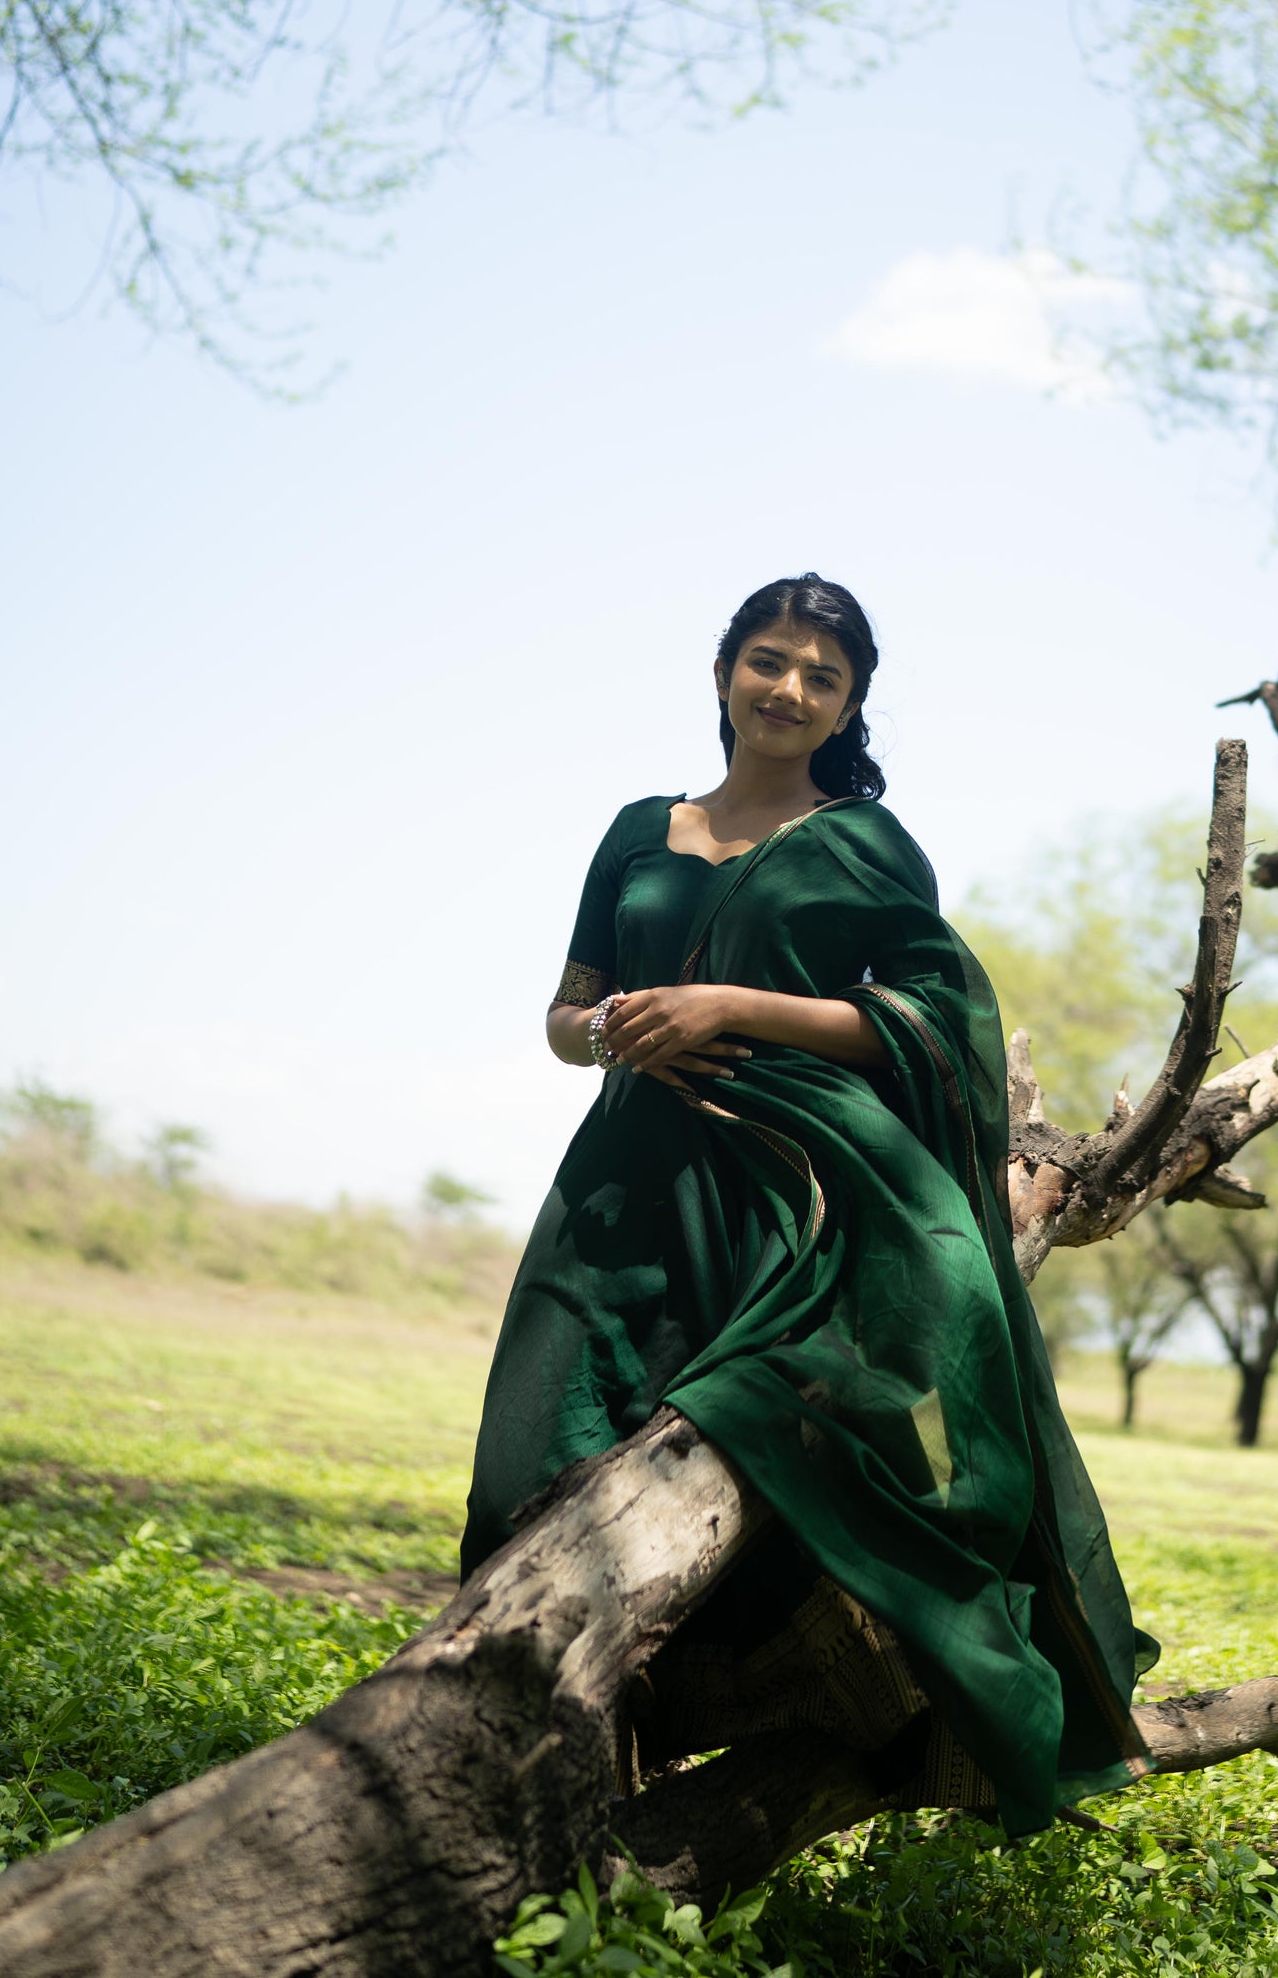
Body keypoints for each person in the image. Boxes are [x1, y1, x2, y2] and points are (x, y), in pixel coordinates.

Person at [460, 572, 1155, 1836]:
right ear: (724, 669)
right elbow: (564, 1014)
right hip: (619, 1190)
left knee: (748, 1461)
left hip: (790, 1194)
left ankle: (824, 1739)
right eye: (767, 660)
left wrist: (729, 1007)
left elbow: (931, 1020)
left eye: (820, 676)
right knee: (533, 1458)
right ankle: (537, 1782)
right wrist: (614, 1030)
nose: (787, 689)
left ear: (847, 708)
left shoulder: (865, 845)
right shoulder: (635, 829)